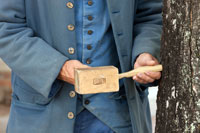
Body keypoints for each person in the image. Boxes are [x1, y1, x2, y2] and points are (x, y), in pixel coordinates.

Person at [0, 0, 162, 133]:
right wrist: (57, 67)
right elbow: (5, 26)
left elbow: (151, 16)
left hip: (119, 117)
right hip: (42, 118)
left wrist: (145, 52)